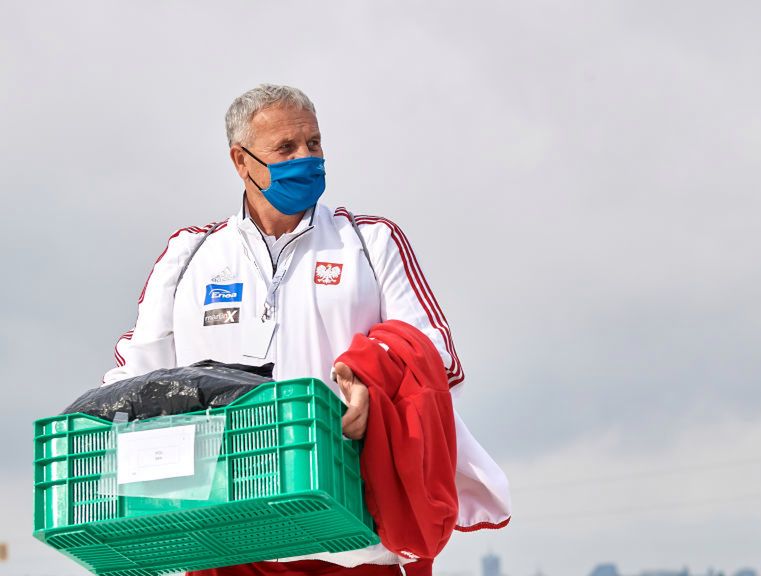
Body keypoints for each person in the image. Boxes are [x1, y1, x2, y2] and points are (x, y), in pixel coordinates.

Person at [103, 84, 510, 573]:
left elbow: (436, 354)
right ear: (241, 161)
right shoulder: (189, 255)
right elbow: (133, 381)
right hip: (227, 538)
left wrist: (369, 377)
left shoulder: (370, 241)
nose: (307, 159)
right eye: (286, 148)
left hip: (349, 536)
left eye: (313, 144)